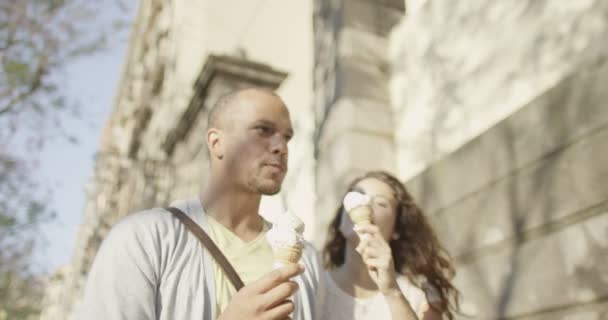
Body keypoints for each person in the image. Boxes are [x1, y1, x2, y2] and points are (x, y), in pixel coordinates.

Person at [78, 88, 321, 320]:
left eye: (287, 136)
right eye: (263, 130)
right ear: (216, 142)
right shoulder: (142, 238)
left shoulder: (307, 259)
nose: (281, 147)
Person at [319, 171, 459, 320]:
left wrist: (392, 292)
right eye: (356, 195)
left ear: (396, 229)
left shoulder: (419, 294)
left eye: (380, 203)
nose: (364, 203)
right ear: (340, 220)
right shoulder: (313, 286)